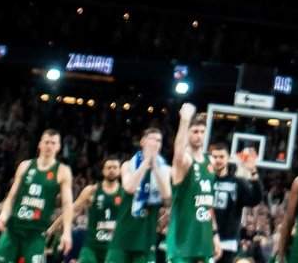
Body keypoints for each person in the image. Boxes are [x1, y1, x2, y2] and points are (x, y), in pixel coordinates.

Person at [0, 130, 73, 263]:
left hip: (36, 233)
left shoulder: (62, 171)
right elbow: (12, 196)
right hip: (14, 228)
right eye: (46, 142)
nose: (49, 146)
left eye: (53, 143)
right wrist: (3, 216)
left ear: (58, 147)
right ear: (40, 144)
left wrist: (67, 232)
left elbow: (67, 204)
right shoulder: (25, 166)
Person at [104, 130, 171, 263]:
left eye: (159, 141)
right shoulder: (128, 165)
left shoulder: (164, 169)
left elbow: (167, 196)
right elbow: (130, 187)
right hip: (123, 234)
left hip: (146, 237)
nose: (155, 143)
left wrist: (154, 166)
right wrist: (146, 162)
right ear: (142, 142)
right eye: (152, 139)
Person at [167, 107, 218, 263]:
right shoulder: (185, 160)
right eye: (195, 131)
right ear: (187, 133)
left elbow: (209, 204)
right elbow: (178, 155)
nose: (199, 135)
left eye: (202, 132)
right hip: (183, 243)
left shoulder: (211, 161)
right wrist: (184, 120)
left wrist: (215, 235)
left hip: (204, 241)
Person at [50, 158, 124, 263]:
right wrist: (50, 230)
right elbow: (71, 211)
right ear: (103, 171)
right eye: (109, 167)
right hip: (92, 246)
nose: (112, 170)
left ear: (120, 171)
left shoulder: (125, 193)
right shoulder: (92, 190)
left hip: (114, 247)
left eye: (115, 167)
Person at [207, 144, 261, 263]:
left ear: (228, 158)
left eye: (221, 157)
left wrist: (253, 171)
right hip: (205, 239)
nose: (218, 160)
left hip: (228, 242)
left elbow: (255, 199)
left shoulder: (237, 183)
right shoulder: (205, 180)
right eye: (215, 157)